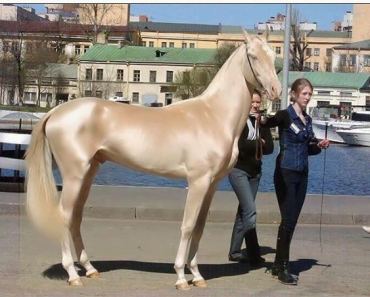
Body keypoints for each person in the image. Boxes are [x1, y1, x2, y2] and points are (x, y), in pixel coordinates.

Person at [260, 78, 329, 285]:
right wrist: (260, 118)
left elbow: (309, 148)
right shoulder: (285, 115)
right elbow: (268, 121)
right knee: (288, 220)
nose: (307, 97)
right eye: (304, 94)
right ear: (294, 94)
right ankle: (282, 267)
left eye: (309, 94)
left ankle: (277, 264)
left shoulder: (306, 120)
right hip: (285, 172)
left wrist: (320, 145)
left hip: (302, 173)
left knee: (292, 221)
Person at [228, 89, 274, 266]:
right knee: (250, 210)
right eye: (252, 102)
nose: (255, 106)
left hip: (256, 172)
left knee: (244, 211)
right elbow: (240, 145)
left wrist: (261, 140)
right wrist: (258, 142)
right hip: (238, 170)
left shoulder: (261, 122)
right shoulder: (239, 121)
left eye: (257, 103)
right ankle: (254, 254)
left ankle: (234, 252)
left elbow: (269, 148)